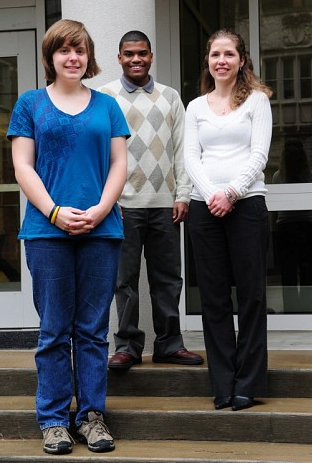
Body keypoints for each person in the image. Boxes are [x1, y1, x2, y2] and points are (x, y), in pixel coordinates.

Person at [7, 19, 130, 455]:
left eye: (79, 50)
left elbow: (119, 164)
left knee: (94, 330)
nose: (72, 57)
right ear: (51, 57)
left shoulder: (107, 106)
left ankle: (91, 416)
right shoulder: (30, 104)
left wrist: (99, 210)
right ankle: (55, 420)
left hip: (102, 229)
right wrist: (55, 212)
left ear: (88, 56)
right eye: (64, 50)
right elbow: (23, 166)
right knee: (55, 330)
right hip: (47, 233)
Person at [99, 30, 203, 370]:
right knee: (123, 280)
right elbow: (101, 154)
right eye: (129, 54)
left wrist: (183, 195)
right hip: (122, 205)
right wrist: (106, 200)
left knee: (168, 278)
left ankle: (169, 345)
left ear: (151, 56)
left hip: (165, 204)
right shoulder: (105, 97)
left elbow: (183, 152)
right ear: (119, 58)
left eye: (142, 53)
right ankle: (127, 346)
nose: (136, 59)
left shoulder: (171, 97)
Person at [184, 29, 272, 411]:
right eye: (215, 54)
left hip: (247, 204)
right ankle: (222, 382)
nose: (221, 60)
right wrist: (211, 195)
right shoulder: (196, 107)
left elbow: (259, 154)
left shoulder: (257, 101)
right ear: (208, 60)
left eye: (229, 54)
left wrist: (231, 193)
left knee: (251, 295)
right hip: (204, 208)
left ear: (241, 60)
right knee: (214, 298)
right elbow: (191, 158)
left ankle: (247, 383)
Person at [272, 138, 312, 313]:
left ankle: (291, 311)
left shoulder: (278, 176)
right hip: (306, 224)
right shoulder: (310, 174)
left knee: (288, 271)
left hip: (286, 226)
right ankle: (307, 310)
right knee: (307, 269)